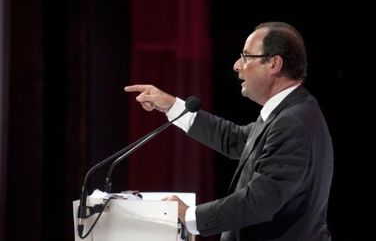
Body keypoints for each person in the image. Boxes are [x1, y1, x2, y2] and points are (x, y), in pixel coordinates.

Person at [124, 21, 334, 241]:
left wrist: (189, 215)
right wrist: (172, 106)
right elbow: (235, 139)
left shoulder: (293, 122)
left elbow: (260, 202)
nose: (236, 65)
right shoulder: (290, 113)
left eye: (246, 56)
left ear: (274, 63)